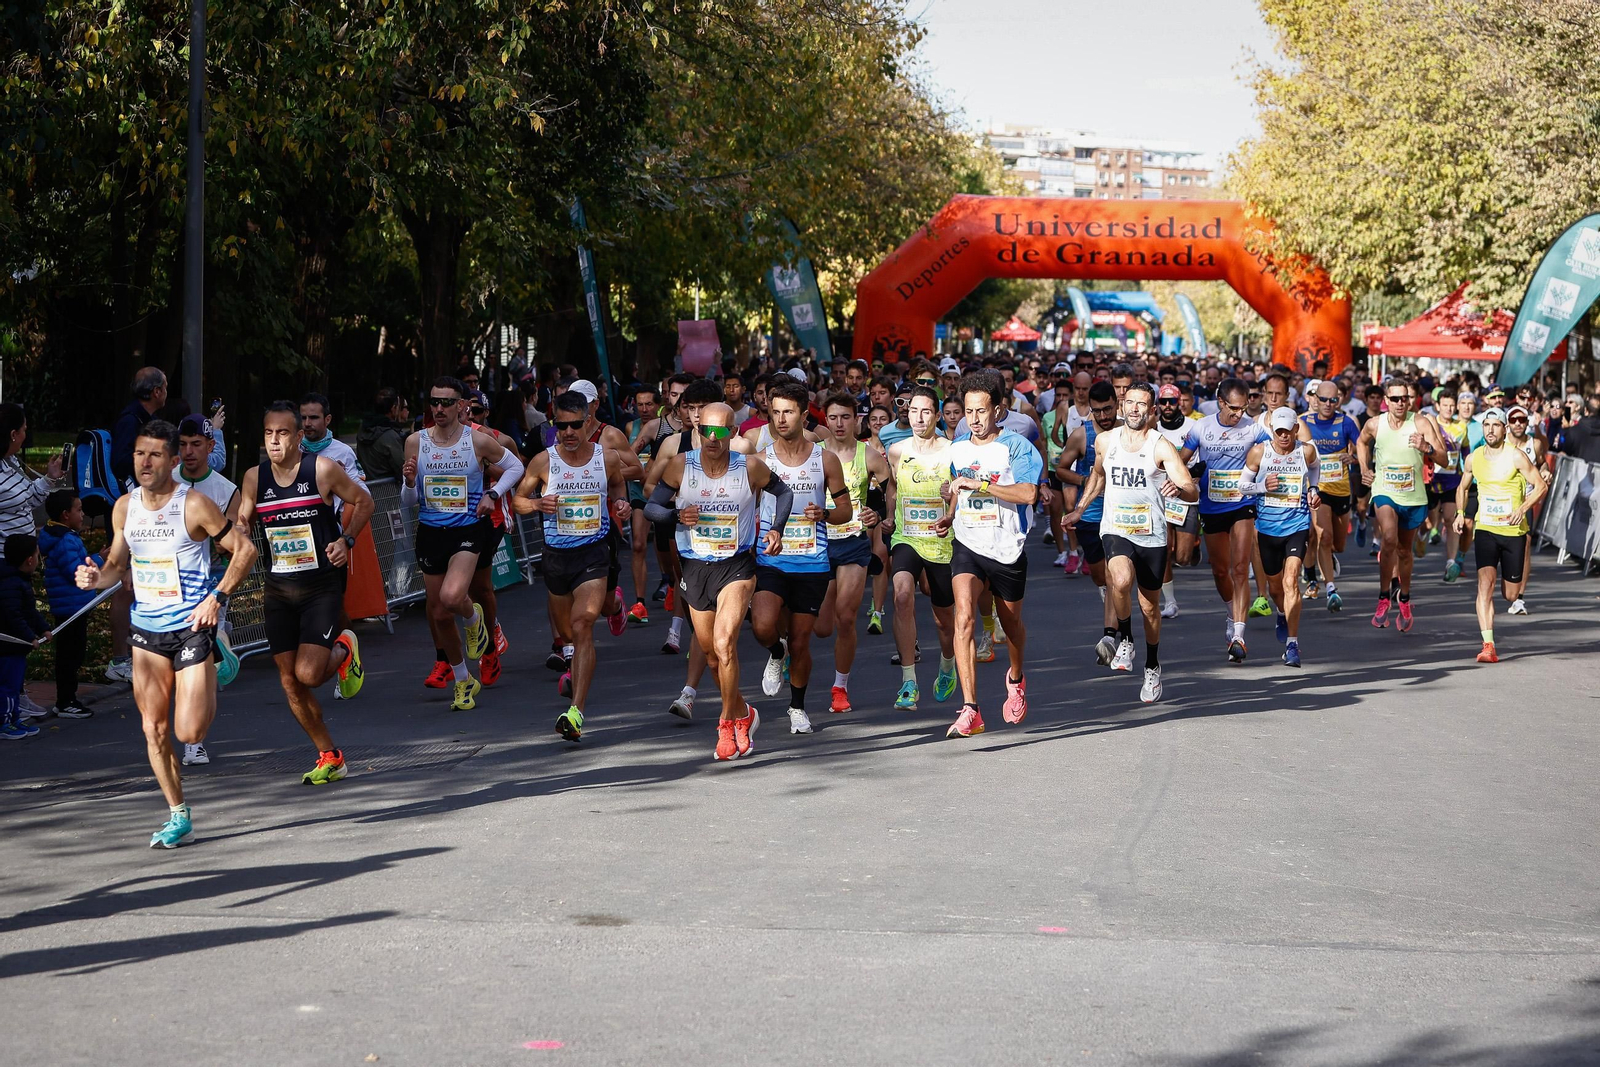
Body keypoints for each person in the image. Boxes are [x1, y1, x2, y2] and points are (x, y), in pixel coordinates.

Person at [75, 420, 258, 846]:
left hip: (192, 626)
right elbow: (116, 568)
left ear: (174, 462)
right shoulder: (125, 507)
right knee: (152, 729)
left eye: (155, 454)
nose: (145, 461)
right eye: (140, 453)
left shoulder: (192, 505)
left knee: (189, 732)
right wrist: (93, 578)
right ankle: (178, 813)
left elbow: (244, 550)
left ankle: (217, 654)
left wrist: (218, 596)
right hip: (148, 630)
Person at [643, 403, 790, 760]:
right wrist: (677, 514)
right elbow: (651, 508)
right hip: (694, 568)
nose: (713, 438)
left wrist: (775, 529)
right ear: (697, 431)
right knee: (710, 656)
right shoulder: (681, 466)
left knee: (725, 644)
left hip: (737, 565)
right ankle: (744, 712)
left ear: (733, 433)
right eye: (706, 430)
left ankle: (726, 724)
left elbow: (784, 493)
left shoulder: (749, 467)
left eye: (721, 431)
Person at [238, 402, 375, 783]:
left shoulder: (323, 470)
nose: (274, 441)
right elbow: (243, 517)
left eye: (283, 433)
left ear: (300, 437)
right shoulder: (254, 477)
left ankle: (345, 646)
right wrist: (240, 528)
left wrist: (346, 540)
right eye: (268, 433)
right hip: (279, 588)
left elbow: (365, 501)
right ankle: (330, 755)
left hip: (321, 585)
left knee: (310, 674)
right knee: (289, 682)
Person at [1063, 383, 1196, 702]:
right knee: (1119, 580)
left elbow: (1191, 489)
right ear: (1123, 407)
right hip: (1116, 528)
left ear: (1152, 411)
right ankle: (1125, 637)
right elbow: (1097, 476)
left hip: (1151, 534)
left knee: (1150, 608)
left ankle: (1152, 665)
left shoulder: (1161, 446)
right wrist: (1080, 509)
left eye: (1142, 404)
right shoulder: (1106, 441)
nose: (1135, 409)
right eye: (1130, 403)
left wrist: (1179, 489)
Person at [513, 392, 631, 742]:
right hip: (556, 556)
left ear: (587, 422)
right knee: (567, 632)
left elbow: (618, 484)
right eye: (561, 425)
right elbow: (518, 500)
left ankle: (576, 711)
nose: (568, 432)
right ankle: (616, 606)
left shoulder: (605, 457)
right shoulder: (542, 462)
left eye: (574, 425)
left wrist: (622, 503)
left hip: (593, 551)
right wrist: (536, 505)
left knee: (583, 625)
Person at [402, 377, 525, 710]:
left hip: (468, 529)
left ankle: (474, 622)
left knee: (453, 596)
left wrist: (493, 493)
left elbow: (516, 466)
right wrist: (409, 482)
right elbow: (408, 501)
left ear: (461, 405)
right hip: (429, 532)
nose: (438, 409)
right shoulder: (416, 441)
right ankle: (462, 679)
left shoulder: (478, 441)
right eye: (434, 402)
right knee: (440, 613)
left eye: (446, 402)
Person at [937, 370, 1042, 737]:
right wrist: (949, 514)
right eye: (968, 411)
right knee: (963, 618)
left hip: (1007, 549)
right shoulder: (958, 444)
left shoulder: (1017, 447)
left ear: (998, 409)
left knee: (1011, 626)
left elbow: (1028, 493)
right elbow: (955, 487)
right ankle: (970, 709)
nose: (974, 420)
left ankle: (1015, 678)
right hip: (967, 543)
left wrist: (981, 483)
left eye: (982, 411)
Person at [752, 380, 851, 735]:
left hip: (811, 561)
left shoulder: (824, 459)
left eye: (788, 412)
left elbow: (846, 509)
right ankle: (774, 654)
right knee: (763, 625)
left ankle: (797, 707)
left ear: (804, 415)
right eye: (775, 412)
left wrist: (823, 514)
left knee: (801, 641)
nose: (780, 419)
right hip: (771, 559)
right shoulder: (760, 460)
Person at [1180, 378, 1271, 663]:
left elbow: (1275, 456)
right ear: (1220, 402)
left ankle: (1240, 635)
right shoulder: (1202, 428)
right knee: (1221, 571)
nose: (1238, 414)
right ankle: (1232, 612)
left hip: (1243, 503)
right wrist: (1190, 473)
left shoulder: (1253, 429)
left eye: (1243, 409)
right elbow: (1181, 460)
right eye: (1233, 408)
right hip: (1211, 506)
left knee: (1240, 568)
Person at [813, 393, 890, 715]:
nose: (840, 424)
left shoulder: (869, 456)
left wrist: (879, 515)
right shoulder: (812, 455)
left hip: (853, 541)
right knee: (821, 627)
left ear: (856, 419)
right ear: (825, 421)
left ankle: (840, 687)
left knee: (846, 617)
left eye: (845, 417)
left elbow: (888, 494)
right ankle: (787, 649)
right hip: (815, 542)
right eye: (833, 418)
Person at [882, 386, 958, 709]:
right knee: (901, 596)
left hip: (941, 542)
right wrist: (888, 516)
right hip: (907, 537)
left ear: (937, 415)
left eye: (926, 411)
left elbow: (962, 493)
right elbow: (893, 486)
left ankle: (948, 663)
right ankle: (908, 681)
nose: (918, 418)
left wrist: (950, 501)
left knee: (943, 618)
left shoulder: (953, 450)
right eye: (914, 411)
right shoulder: (896, 451)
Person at [174, 415, 242, 761]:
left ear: (211, 447)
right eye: (183, 444)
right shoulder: (163, 482)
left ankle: (193, 742)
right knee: (177, 666)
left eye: (196, 444)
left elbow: (234, 545)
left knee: (196, 666)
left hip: (210, 587)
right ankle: (221, 647)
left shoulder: (226, 490)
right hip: (168, 589)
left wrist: (223, 540)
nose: (188, 451)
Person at [1455, 408, 1546, 663]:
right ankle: (1488, 645)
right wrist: (1460, 513)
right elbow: (1462, 487)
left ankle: (1511, 596)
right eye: (1486, 425)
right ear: (1482, 428)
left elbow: (1540, 485)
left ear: (1504, 429)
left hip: (1513, 531)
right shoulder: (1474, 458)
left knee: (1510, 594)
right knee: (1485, 584)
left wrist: (1523, 508)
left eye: (1496, 425)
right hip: (1485, 529)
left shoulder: (1516, 457)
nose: (1490, 430)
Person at [1358, 378, 1447, 630]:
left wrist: (1425, 446)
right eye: (1395, 398)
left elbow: (1446, 459)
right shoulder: (1375, 424)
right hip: (1384, 491)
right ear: (1386, 401)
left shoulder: (1421, 422)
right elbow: (1362, 442)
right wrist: (1365, 468)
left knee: (1405, 551)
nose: (1400, 403)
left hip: (1414, 496)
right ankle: (1384, 596)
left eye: (1404, 398)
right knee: (1388, 539)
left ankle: (1404, 597)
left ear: (1410, 399)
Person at [1239, 408, 1321, 667]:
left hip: (1297, 525)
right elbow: (1242, 486)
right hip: (1267, 530)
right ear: (1272, 431)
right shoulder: (1259, 452)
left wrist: (1314, 489)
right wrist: (1263, 486)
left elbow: (1316, 467)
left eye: (1289, 431)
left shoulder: (1305, 451)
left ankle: (1293, 645)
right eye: (1279, 431)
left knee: (1290, 583)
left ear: (1297, 429)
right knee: (1276, 588)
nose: (1284, 436)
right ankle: (1282, 612)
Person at [1056, 382, 1120, 641]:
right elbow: (1060, 468)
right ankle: (1108, 593)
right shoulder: (1082, 435)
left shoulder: (1129, 431)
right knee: (1099, 575)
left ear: (1117, 404)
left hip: (1120, 514)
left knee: (1115, 572)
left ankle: (1113, 630)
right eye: (1097, 411)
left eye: (1108, 409)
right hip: (1090, 514)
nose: (1104, 417)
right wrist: (1084, 481)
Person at [39, 491, 99, 719]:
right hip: (70, 609)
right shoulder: (65, 540)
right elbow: (77, 572)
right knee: (69, 655)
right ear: (66, 515)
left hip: (73, 606)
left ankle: (68, 698)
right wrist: (100, 561)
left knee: (72, 653)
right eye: (79, 510)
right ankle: (65, 701)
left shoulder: (64, 536)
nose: (82, 514)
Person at [1301, 381, 1360, 611]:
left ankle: (1327, 560)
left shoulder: (1346, 422)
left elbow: (1362, 446)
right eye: (1322, 399)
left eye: (1332, 400)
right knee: (1322, 536)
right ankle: (1331, 589)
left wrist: (1353, 459)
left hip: (1341, 489)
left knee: (1338, 544)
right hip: (1318, 488)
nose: (1327, 404)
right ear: (1315, 398)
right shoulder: (1304, 422)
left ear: (1340, 400)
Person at [1152, 383, 1200, 616]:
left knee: (1182, 556)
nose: (1168, 406)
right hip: (1162, 496)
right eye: (1163, 402)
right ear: (1158, 405)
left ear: (1179, 402)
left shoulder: (1193, 427)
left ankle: (1195, 542)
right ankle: (1170, 602)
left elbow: (1203, 460)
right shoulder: (1153, 429)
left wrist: (1194, 474)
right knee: (1163, 550)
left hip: (1186, 497)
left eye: (1172, 401)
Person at [0, 533, 49, 740]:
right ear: (29, 560)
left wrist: (43, 628)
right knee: (8, 686)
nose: (38, 560)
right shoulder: (11, 584)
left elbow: (30, 612)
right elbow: (13, 616)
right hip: (9, 647)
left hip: (17, 647)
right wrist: (30, 636)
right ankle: (4, 723)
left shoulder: (20, 581)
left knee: (15, 683)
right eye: (38, 556)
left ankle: (13, 717)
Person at [1432, 392, 1471, 584]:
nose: (1448, 408)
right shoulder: (1431, 424)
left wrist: (1468, 467)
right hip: (1431, 479)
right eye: (1444, 405)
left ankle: (1450, 562)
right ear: (1438, 406)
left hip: (1452, 479)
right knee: (1429, 519)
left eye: (1451, 405)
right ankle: (1426, 532)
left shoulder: (1461, 426)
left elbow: (1465, 449)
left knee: (1450, 518)